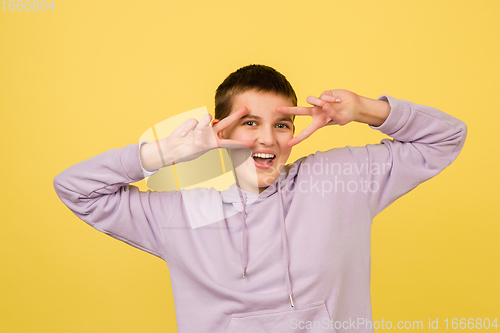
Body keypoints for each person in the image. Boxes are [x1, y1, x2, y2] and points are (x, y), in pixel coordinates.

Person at [53, 64, 467, 332]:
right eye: (249, 122)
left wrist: (364, 110)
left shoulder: (338, 182)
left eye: (282, 124)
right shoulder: (181, 214)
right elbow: (76, 188)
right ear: (221, 131)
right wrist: (167, 153)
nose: (267, 138)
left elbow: (446, 137)